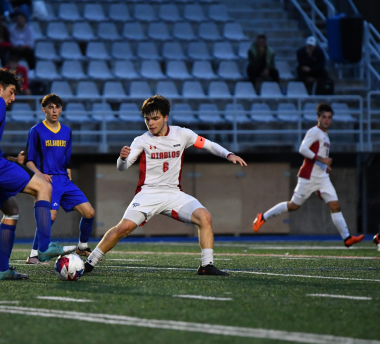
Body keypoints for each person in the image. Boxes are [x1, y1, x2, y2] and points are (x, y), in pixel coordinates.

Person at [84, 95, 247, 276]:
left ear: (166, 117)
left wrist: (228, 155)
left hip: (173, 194)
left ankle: (206, 265)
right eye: (147, 119)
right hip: (148, 194)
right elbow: (123, 167)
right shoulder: (141, 140)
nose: (151, 123)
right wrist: (122, 158)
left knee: (205, 217)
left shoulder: (182, 134)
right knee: (123, 228)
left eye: (155, 118)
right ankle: (90, 262)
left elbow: (208, 145)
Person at [0, 68, 74, 280]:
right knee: (44, 186)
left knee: (11, 209)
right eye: (11, 92)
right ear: (0, 88)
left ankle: (2, 270)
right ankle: (43, 247)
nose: (12, 98)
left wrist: (10, 161)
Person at [253, 103, 364, 247]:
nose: (326, 120)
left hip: (322, 178)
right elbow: (303, 149)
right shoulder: (314, 131)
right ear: (318, 117)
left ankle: (347, 238)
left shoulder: (325, 135)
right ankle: (263, 217)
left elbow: (319, 156)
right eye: (324, 117)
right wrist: (322, 159)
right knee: (294, 206)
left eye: (329, 117)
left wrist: (325, 166)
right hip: (309, 176)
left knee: (335, 205)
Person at [25, 94, 95, 264]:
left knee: (89, 212)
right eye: (50, 107)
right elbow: (28, 160)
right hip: (49, 181)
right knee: (49, 217)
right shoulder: (36, 131)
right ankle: (34, 254)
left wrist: (68, 173)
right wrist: (39, 175)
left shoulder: (67, 131)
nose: (54, 110)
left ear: (61, 109)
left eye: (57, 107)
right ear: (44, 110)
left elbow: (67, 158)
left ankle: (82, 246)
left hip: (64, 179)